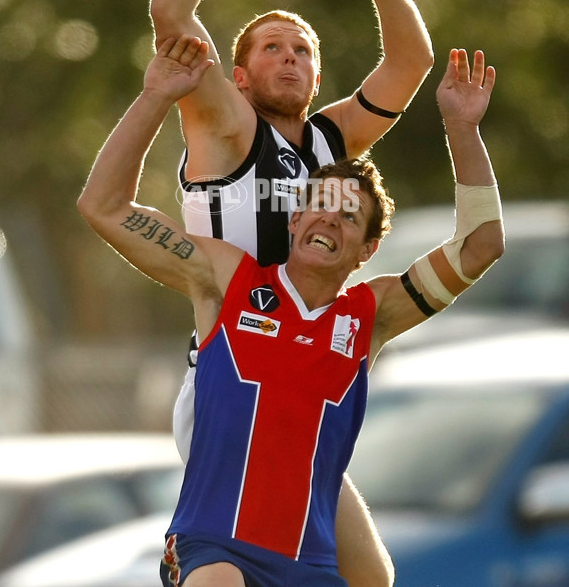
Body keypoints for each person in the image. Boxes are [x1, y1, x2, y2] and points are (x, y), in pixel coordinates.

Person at [77, 35, 504, 587]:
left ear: (367, 250)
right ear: (295, 219)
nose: (329, 219)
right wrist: (154, 98)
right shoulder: (228, 281)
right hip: (212, 549)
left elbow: (482, 246)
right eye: (319, 205)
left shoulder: (369, 315)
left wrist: (462, 130)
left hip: (310, 568)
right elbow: (103, 206)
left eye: (349, 217)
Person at [149, 0, 434, 585]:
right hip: (230, 385)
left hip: (296, 385)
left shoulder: (328, 146)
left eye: (302, 48)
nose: (290, 55)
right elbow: (173, 17)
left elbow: (411, 63)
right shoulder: (227, 126)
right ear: (238, 76)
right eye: (271, 45)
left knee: (370, 576)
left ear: (316, 74)